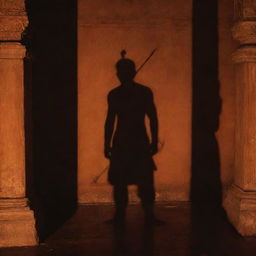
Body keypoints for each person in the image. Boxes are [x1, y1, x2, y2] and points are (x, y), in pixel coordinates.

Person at [104, 50, 162, 225]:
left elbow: (153, 118)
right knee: (120, 181)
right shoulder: (115, 94)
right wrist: (106, 144)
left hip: (137, 141)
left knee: (145, 180)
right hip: (123, 141)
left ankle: (149, 215)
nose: (122, 75)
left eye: (124, 72)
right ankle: (120, 215)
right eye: (120, 72)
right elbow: (110, 121)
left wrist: (154, 140)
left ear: (132, 73)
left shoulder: (143, 92)